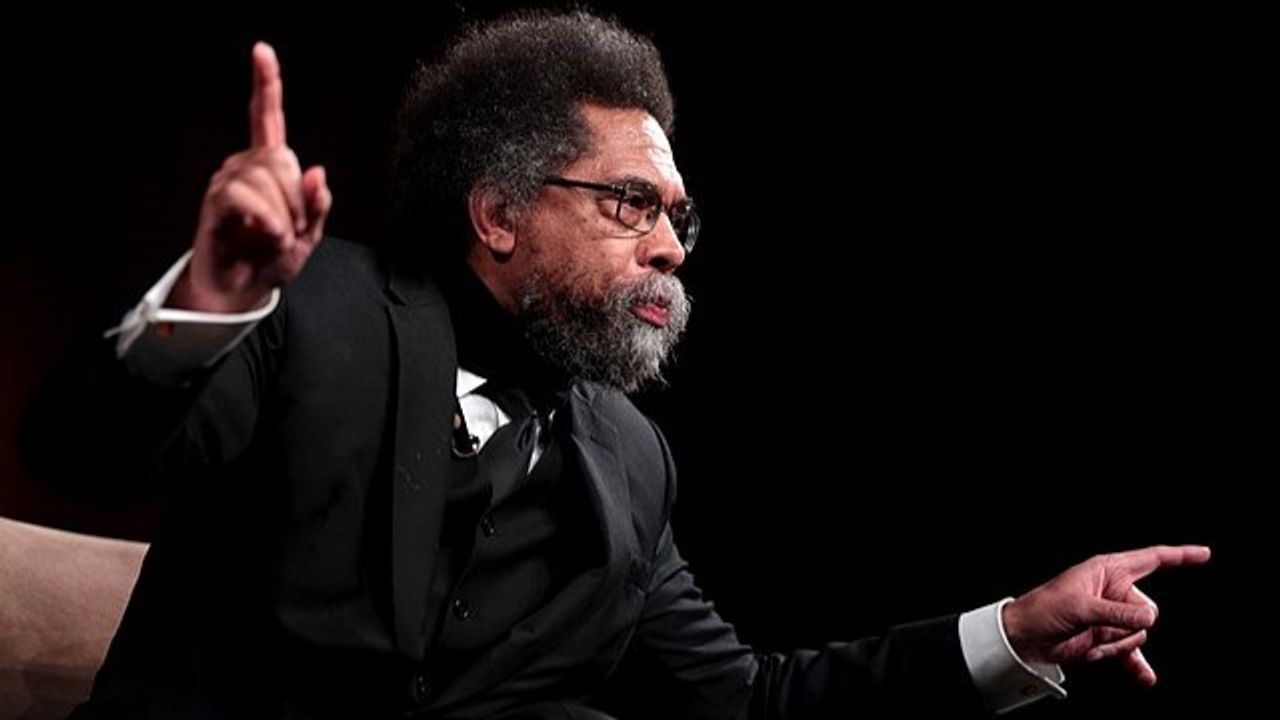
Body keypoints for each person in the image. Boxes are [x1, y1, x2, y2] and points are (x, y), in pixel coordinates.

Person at [21, 11, 1210, 719]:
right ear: (497, 212)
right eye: (631, 203)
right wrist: (210, 303)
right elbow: (80, 456)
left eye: (677, 218)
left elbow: (741, 702)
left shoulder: (627, 460)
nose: (669, 248)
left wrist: (1011, 630)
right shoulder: (317, 305)